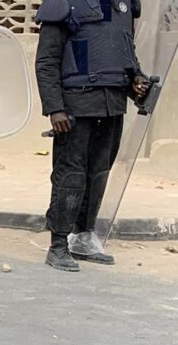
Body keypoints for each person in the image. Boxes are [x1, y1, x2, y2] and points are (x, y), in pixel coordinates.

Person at [35, 0, 149, 271]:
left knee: (99, 172)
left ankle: (84, 236)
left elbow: (125, 53)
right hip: (76, 104)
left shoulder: (123, 5)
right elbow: (47, 61)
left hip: (113, 103)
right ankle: (59, 244)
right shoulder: (63, 3)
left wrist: (136, 81)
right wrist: (54, 108)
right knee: (70, 174)